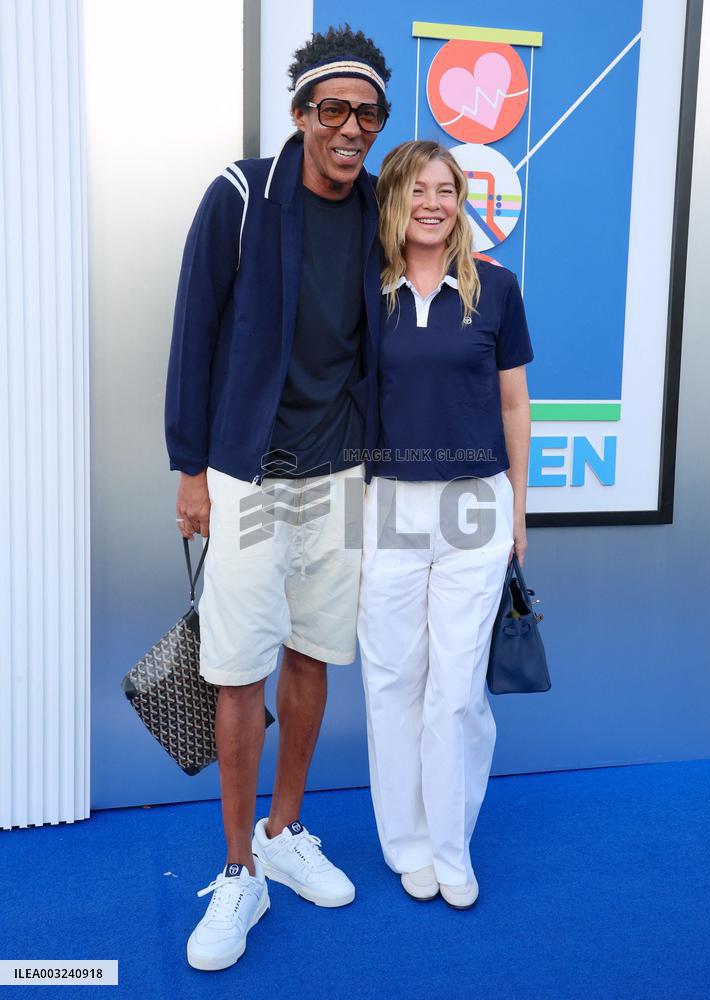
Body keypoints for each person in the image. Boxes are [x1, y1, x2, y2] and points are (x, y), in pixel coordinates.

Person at [164, 25, 391, 971]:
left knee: (313, 652)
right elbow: (194, 327)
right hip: (247, 472)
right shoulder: (241, 195)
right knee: (238, 667)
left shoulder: (383, 207)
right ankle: (235, 872)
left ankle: (283, 834)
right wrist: (190, 466)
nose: (348, 127)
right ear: (299, 115)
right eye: (330, 109)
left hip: (340, 473)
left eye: (365, 113)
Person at [357, 140, 533, 910]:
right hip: (388, 501)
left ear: (462, 201)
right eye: (418, 188)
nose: (433, 202)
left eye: (447, 189)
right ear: (393, 196)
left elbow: (514, 405)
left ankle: (451, 847)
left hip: (475, 503)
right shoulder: (366, 289)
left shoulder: (494, 287)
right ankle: (407, 845)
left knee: (456, 689)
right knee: (393, 682)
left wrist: (517, 506)